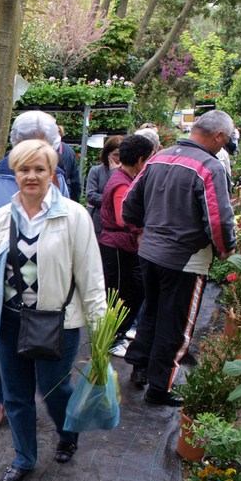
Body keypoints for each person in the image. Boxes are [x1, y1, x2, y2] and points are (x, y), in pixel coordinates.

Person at [0, 140, 106, 481]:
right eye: (24, 169)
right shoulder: (4, 217)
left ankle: (67, 433)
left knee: (55, 391)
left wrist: (100, 327)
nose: (31, 176)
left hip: (56, 322)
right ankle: (24, 457)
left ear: (52, 173)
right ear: (14, 173)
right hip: (10, 320)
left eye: (39, 169)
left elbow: (91, 276)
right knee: (15, 395)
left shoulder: (73, 217)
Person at [0, 110, 74, 429]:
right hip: (4, 276)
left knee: (41, 338)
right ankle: (0, 399)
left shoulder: (57, 178)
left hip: (43, 276)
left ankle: (23, 399)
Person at [122, 110, 237, 406]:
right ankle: (160, 388)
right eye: (227, 139)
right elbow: (219, 220)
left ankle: (139, 368)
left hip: (150, 253)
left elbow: (129, 203)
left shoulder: (158, 157)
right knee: (176, 324)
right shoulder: (209, 167)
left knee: (151, 312)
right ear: (219, 136)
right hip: (185, 260)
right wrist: (226, 250)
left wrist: (141, 231)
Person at [99, 135, 155, 356]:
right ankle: (111, 340)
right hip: (117, 246)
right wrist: (141, 230)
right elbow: (123, 218)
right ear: (140, 159)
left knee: (130, 290)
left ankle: (118, 334)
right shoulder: (121, 183)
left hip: (122, 245)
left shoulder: (124, 177)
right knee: (118, 294)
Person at [85, 135, 123, 238]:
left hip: (119, 227)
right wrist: (113, 200)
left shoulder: (128, 172)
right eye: (115, 155)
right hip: (98, 223)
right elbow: (90, 195)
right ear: (107, 154)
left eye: (121, 155)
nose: (118, 159)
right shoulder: (96, 171)